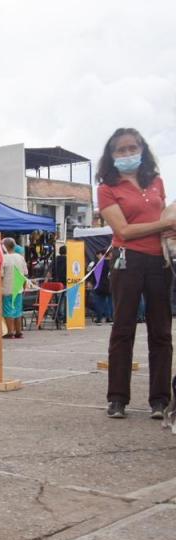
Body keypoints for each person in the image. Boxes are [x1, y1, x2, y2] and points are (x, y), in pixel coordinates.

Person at [96, 127, 174, 419]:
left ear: (142, 150)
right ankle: (117, 398)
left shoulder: (156, 182)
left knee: (162, 332)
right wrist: (164, 225)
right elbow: (124, 231)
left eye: (133, 148)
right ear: (112, 155)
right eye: (121, 150)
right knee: (123, 329)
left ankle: (160, 399)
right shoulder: (107, 188)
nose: (128, 154)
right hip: (126, 260)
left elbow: (164, 214)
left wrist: (169, 226)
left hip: (159, 262)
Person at [0, 238, 28, 339]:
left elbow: (1, 276)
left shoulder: (3, 258)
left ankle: (10, 332)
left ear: (5, 247)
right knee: (17, 311)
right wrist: (24, 287)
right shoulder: (20, 257)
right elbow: (25, 274)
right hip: (18, 287)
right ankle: (19, 332)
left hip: (7, 288)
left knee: (8, 311)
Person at [90, 250, 113, 324]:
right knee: (110, 303)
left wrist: (92, 283)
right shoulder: (112, 263)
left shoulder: (98, 264)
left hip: (100, 285)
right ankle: (109, 317)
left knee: (99, 302)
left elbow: (94, 275)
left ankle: (99, 318)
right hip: (110, 285)